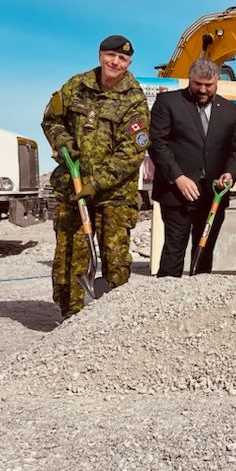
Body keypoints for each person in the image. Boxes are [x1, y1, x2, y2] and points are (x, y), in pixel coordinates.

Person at [41, 35, 150, 319]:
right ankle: (70, 317)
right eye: (111, 56)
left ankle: (112, 323)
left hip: (114, 196)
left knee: (115, 261)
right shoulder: (76, 85)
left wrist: (96, 183)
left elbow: (131, 152)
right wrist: (62, 141)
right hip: (73, 188)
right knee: (70, 256)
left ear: (129, 63)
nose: (115, 62)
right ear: (100, 55)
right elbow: (51, 120)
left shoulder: (134, 99)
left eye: (122, 59)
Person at [149, 57, 236, 276]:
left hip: (213, 194)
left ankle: (197, 303)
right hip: (176, 193)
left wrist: (229, 174)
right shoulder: (168, 103)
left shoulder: (230, 110)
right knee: (174, 250)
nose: (203, 89)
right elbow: (158, 144)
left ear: (217, 83)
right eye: (197, 84)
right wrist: (178, 177)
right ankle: (166, 299)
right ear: (189, 80)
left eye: (208, 85)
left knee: (204, 250)